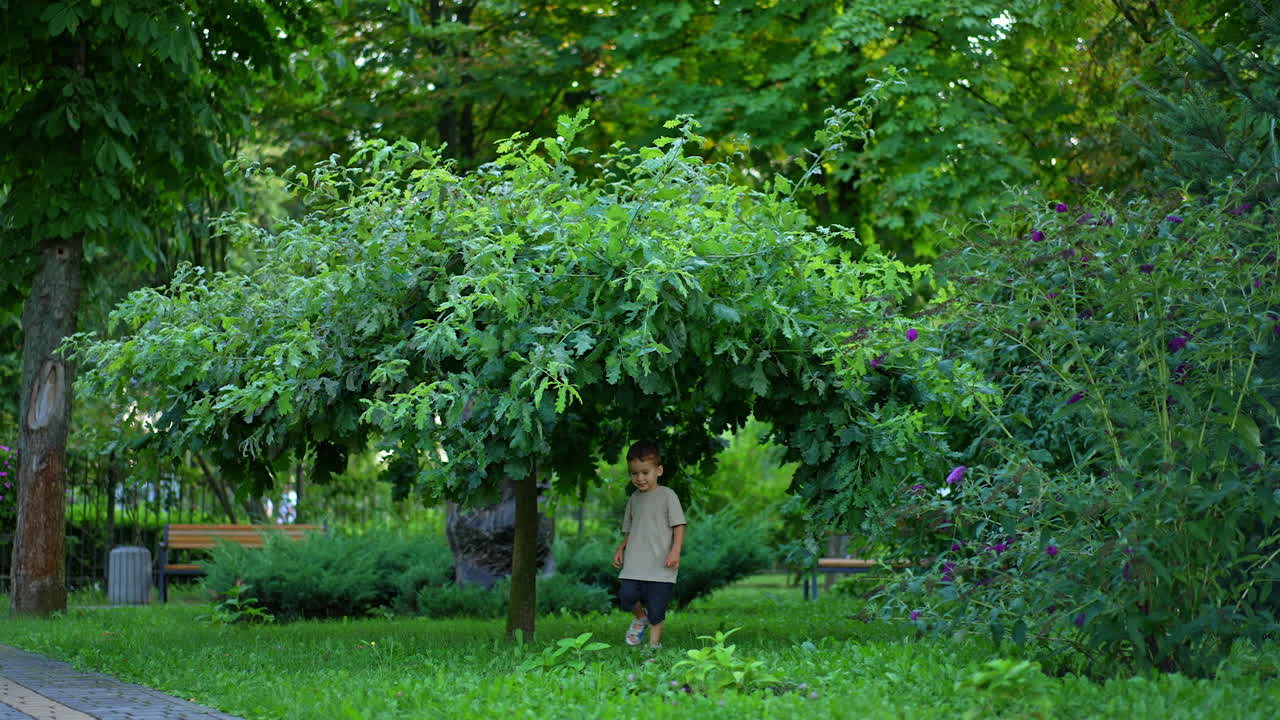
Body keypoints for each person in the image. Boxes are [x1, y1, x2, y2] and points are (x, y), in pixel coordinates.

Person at [612, 440, 686, 650]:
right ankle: (639, 618)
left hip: (662, 566)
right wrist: (621, 548)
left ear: (659, 470)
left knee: (657, 609)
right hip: (635, 564)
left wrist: (675, 551)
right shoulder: (634, 499)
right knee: (626, 597)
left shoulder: (668, 496)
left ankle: (653, 647)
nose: (640, 478)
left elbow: (679, 525)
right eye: (634, 473)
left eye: (645, 472)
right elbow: (631, 530)